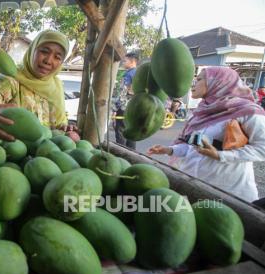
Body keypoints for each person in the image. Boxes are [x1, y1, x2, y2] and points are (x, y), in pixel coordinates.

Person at [148, 66, 265, 202]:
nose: (193, 84)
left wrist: (221, 155)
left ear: (218, 82)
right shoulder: (201, 112)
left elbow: (262, 148)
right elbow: (193, 147)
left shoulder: (248, 112)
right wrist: (169, 150)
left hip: (230, 195)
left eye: (199, 79)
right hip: (194, 188)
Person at [0, 30, 74, 141]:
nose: (48, 61)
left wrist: (64, 128)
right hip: (11, 152)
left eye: (57, 57)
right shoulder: (10, 79)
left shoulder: (56, 86)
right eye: (44, 51)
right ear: (32, 50)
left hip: (46, 154)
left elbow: (58, 123)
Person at [113, 52, 138, 149]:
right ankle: (132, 153)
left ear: (132, 61)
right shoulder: (140, 73)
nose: (123, 62)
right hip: (135, 108)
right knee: (132, 131)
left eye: (125, 61)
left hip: (124, 107)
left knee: (120, 131)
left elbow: (122, 92)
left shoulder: (128, 74)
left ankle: (122, 154)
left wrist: (115, 108)